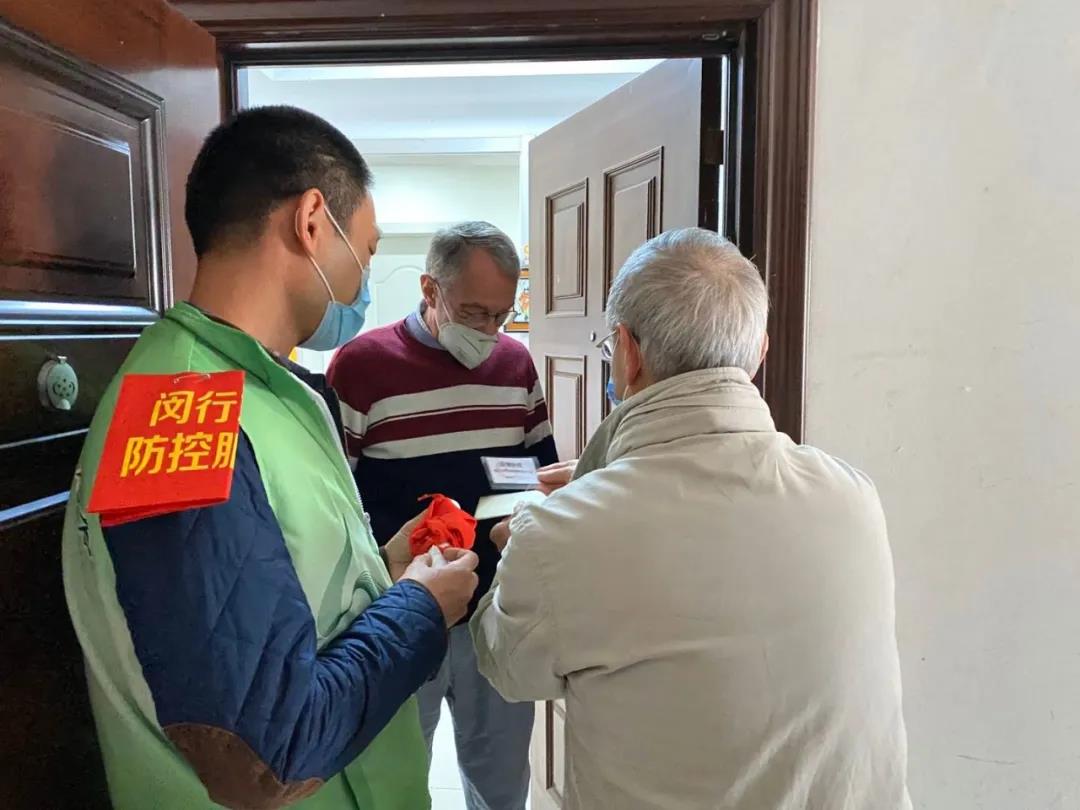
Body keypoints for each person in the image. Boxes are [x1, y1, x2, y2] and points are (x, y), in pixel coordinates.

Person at [61, 106, 480, 810]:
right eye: (366, 252)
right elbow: (265, 755)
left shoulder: (258, 388)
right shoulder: (181, 411)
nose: (361, 283)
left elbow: (268, 601)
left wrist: (383, 572)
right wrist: (420, 609)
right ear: (312, 222)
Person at [473, 228, 912, 810]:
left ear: (626, 351)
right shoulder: (851, 494)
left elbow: (509, 667)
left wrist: (526, 534)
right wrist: (601, 480)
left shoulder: (561, 535)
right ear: (761, 351)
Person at [327, 222, 558, 809]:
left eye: (501, 315)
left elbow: (539, 471)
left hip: (495, 611)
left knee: (501, 784)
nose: (488, 331)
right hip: (403, 613)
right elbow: (335, 500)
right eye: (474, 312)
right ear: (430, 290)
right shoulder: (360, 367)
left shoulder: (516, 365)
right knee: (397, 783)